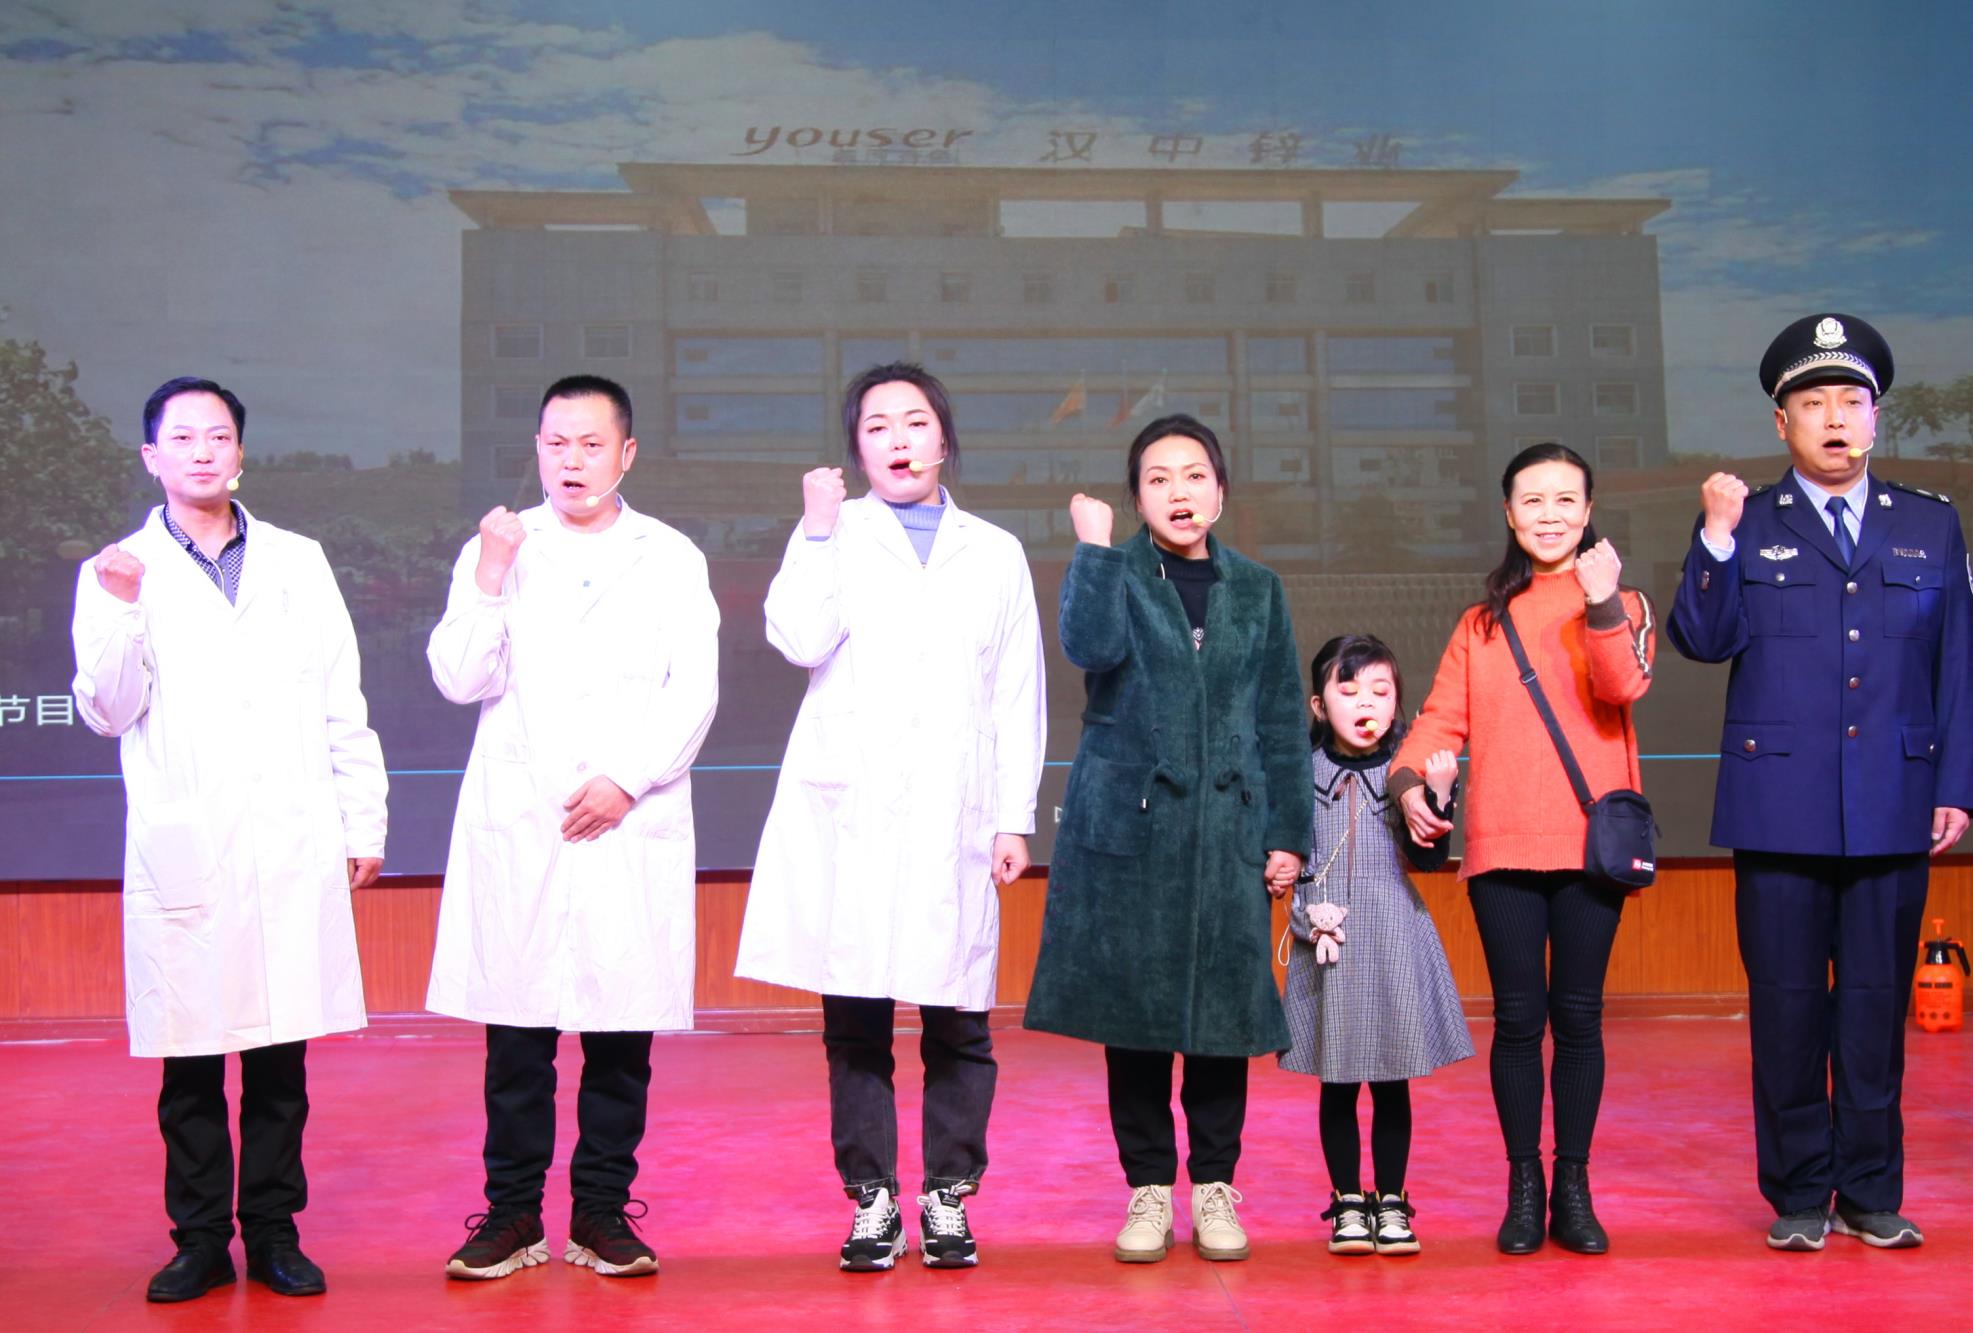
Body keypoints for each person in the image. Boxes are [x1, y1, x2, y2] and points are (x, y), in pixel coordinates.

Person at [1667, 313, 1973, 1252]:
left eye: (1852, 400)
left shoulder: (1929, 522)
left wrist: (1956, 785)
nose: (1836, 418)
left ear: (1877, 418)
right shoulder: (1746, 521)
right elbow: (1702, 639)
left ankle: (1872, 1191)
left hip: (1894, 799)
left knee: (1876, 1009)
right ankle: (1802, 1193)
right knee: (1788, 1009)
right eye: (1814, 403)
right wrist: (1715, 537)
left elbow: (1957, 666)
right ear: (1783, 423)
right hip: (1779, 807)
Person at [71, 377, 387, 1303]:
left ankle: (276, 1234)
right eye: (182, 437)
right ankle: (200, 1239)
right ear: (151, 457)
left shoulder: (298, 560)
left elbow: (341, 697)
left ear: (240, 453)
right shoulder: (116, 569)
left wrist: (362, 817)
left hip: (290, 833)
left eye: (218, 436)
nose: (202, 451)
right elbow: (108, 709)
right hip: (189, 841)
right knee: (192, 1061)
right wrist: (122, 607)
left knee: (282, 1057)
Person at [736, 362, 1047, 1272]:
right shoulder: (834, 534)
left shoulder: (994, 551)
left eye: (915, 421)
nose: (899, 439)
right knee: (857, 1018)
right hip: (856, 813)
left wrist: (1013, 816)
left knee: (960, 1018)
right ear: (857, 449)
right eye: (877, 426)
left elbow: (1016, 690)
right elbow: (797, 637)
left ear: (944, 437)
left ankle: (948, 1193)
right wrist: (815, 531)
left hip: (957, 810)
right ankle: (872, 1198)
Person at [427, 374, 719, 1281]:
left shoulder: (670, 556)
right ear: (537, 449)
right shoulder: (500, 546)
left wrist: (627, 781)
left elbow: (694, 689)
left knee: (619, 1037)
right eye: (557, 443)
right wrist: (488, 575)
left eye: (592, 444)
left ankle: (600, 1214)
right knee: (517, 1040)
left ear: (626, 453)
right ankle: (512, 1214)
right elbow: (458, 678)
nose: (572, 461)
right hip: (526, 821)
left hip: (630, 817)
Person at [1024, 414, 1312, 1266]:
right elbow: (1089, 646)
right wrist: (1092, 551)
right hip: (1133, 831)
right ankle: (1149, 1188)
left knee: (1224, 1016)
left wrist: (1288, 831)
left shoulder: (1258, 588)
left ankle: (1215, 1185)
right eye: (1158, 478)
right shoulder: (1114, 571)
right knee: (1138, 1018)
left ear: (1219, 490)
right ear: (1137, 498)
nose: (1179, 492)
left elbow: (1281, 719)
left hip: (1228, 830)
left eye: (1194, 475)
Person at [1390, 442, 1654, 1256]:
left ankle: (1573, 1184)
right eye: (1532, 500)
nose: (1549, 515)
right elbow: (1439, 720)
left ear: (1589, 510)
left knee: (1578, 1018)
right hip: (1502, 848)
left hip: (1591, 849)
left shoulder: (1623, 602)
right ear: (1509, 514)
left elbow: (1622, 685)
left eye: (1566, 500)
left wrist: (1602, 602)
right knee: (1516, 1021)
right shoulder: (1482, 623)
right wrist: (1408, 782)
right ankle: (1524, 1185)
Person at [1281, 634, 1473, 1257]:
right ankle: (1346, 1203)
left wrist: (1438, 794)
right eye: (1349, 689)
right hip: (1326, 942)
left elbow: (1429, 860)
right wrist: (1302, 905)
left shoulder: (1404, 773)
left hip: (1393, 935)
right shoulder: (1300, 772)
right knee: (1337, 1081)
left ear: (1397, 703)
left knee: (1392, 1081)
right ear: (1319, 705)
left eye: (1381, 690)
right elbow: (1286, 857)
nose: (1366, 702)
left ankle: (1391, 1201)